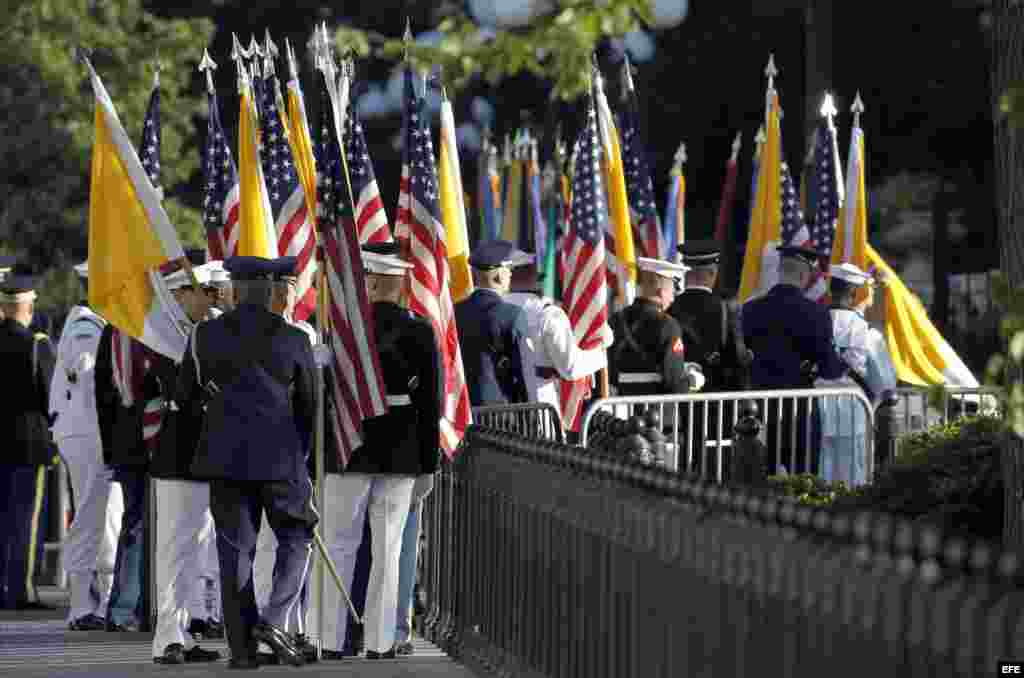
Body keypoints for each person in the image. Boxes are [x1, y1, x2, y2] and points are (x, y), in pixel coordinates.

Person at [177, 255, 316, 670]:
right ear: (274, 291)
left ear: (234, 291)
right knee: (297, 535)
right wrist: (300, 452)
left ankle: (241, 651)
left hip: (224, 459)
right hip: (281, 457)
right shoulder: (294, 338)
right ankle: (274, 620)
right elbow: (308, 405)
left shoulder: (204, 337)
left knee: (235, 554)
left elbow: (185, 398)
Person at [322, 242, 442, 660]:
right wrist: (429, 463)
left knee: (339, 546)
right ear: (401, 282)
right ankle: (379, 641)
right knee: (388, 550)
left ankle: (331, 639)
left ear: (367, 282)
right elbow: (431, 405)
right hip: (401, 452)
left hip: (349, 447)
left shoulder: (340, 326)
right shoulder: (420, 329)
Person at [148, 261, 224, 665]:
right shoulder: (165, 338)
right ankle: (167, 639)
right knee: (175, 550)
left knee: (196, 550)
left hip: (206, 456)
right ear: (179, 295)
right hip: (179, 457)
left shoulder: (205, 335)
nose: (211, 301)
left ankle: (187, 630)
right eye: (205, 293)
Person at [51, 262, 125, 630]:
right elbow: (86, 368)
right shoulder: (85, 325)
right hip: (89, 431)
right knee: (96, 515)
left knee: (106, 514)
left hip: (92, 430)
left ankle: (102, 600)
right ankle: (83, 603)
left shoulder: (92, 322)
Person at [742, 239, 847, 475]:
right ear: (806, 276)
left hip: (760, 410)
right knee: (803, 481)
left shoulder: (750, 309)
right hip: (800, 411)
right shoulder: (817, 313)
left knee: (759, 481)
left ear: (780, 271)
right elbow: (830, 368)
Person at [667, 241, 752, 476]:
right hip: (718, 399)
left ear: (687, 272)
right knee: (717, 458)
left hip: (681, 398)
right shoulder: (725, 308)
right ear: (713, 274)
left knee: (684, 451)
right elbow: (737, 359)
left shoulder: (671, 308)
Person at [0, 265, 56, 610]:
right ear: (29, 306)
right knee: (25, 520)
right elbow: (50, 398)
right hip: (27, 443)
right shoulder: (36, 345)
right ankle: (20, 589)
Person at [505, 256, 613, 428]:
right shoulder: (547, 313)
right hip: (538, 408)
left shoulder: (492, 310)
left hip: (495, 411)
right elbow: (571, 367)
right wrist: (600, 355)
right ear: (533, 278)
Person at [816, 263, 898, 487]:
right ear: (853, 293)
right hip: (853, 412)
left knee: (821, 473)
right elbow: (885, 384)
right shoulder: (866, 331)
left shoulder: (814, 322)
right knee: (854, 477)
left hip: (817, 411)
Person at [608, 257, 704, 397]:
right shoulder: (668, 325)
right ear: (660, 291)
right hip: (658, 410)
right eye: (673, 290)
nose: (672, 298)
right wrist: (692, 381)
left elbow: (610, 372)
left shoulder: (616, 319)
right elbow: (674, 384)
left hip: (621, 407)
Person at [454, 239, 530, 406]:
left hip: (462, 415)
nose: (510, 274)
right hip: (501, 419)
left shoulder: (454, 312)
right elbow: (525, 377)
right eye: (509, 269)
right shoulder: (512, 315)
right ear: (498, 276)